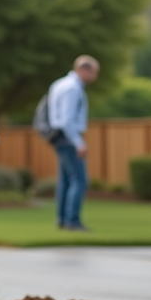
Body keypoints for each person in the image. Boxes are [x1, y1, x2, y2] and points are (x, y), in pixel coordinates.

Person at [47, 56, 99, 230]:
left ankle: (62, 219)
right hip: (68, 137)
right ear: (84, 70)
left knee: (66, 180)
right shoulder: (73, 88)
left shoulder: (59, 84)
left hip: (59, 136)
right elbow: (67, 120)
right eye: (94, 72)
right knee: (79, 180)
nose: (95, 76)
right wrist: (79, 143)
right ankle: (72, 220)